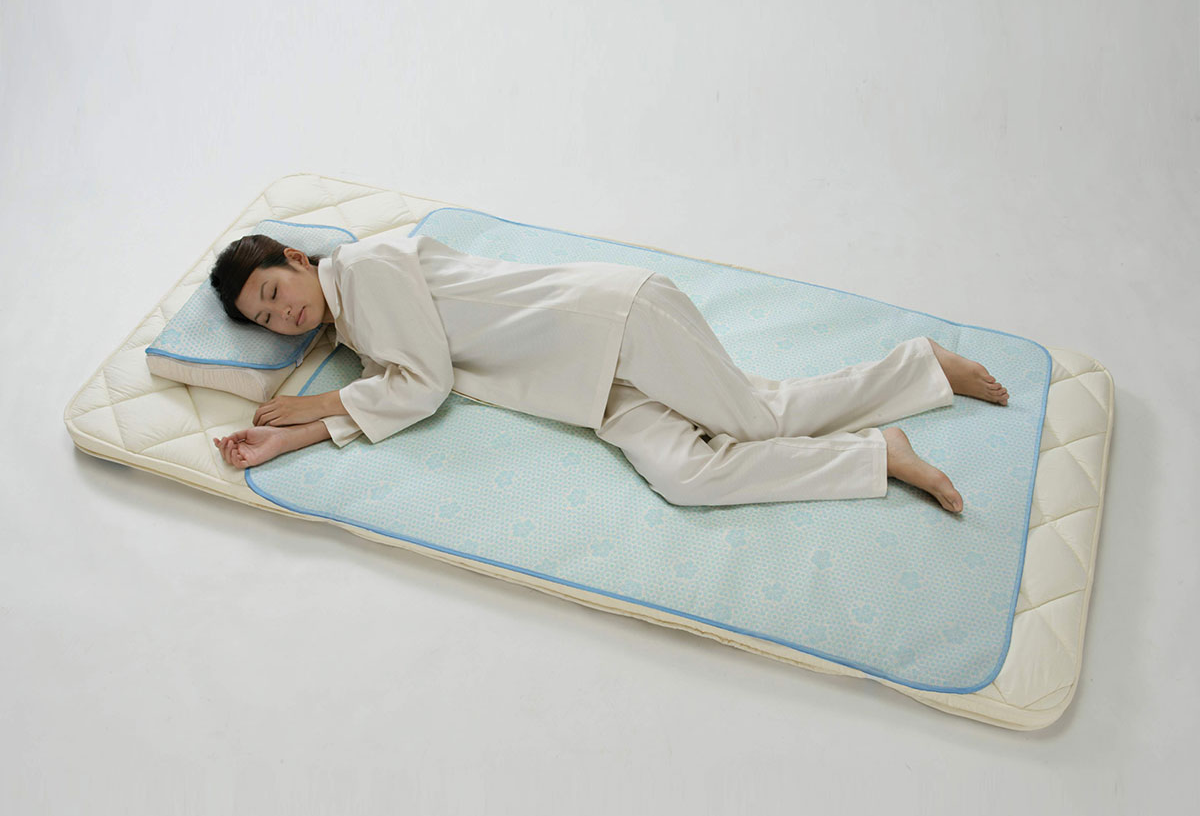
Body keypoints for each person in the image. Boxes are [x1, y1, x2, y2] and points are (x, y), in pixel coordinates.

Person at [208, 231, 1008, 514]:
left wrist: (310, 408)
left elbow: (422, 384)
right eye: (265, 321)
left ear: (296, 259)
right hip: (584, 387)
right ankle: (878, 453)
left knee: (755, 419)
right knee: (688, 478)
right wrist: (289, 440)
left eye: (275, 294)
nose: (283, 317)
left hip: (616, 323)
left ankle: (920, 367)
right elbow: (397, 387)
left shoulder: (366, 268)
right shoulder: (355, 328)